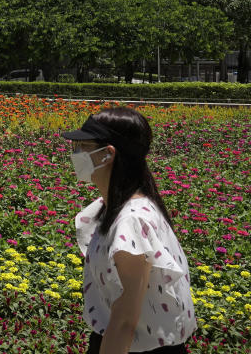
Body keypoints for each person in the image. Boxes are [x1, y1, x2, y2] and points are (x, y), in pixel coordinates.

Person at [63, 107, 195, 354]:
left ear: (107, 154)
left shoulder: (132, 221)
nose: (75, 154)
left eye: (82, 147)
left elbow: (124, 321)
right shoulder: (111, 208)